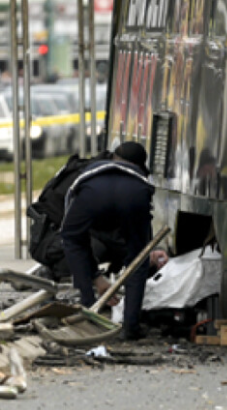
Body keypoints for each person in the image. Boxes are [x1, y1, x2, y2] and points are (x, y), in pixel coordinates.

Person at [60, 141, 167, 341]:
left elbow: (70, 227)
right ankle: (131, 326)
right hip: (134, 196)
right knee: (139, 256)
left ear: (113, 158)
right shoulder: (139, 177)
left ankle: (88, 309)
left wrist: (95, 277)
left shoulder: (92, 170)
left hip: (92, 196)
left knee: (73, 240)